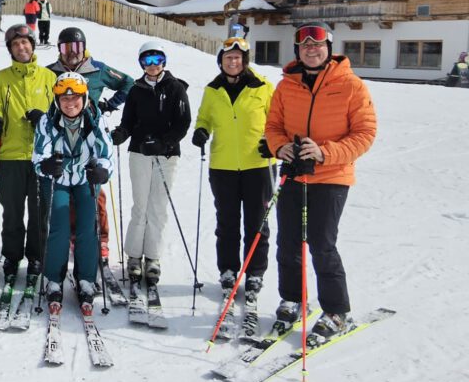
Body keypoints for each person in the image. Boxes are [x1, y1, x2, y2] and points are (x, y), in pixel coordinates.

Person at [264, 22, 376, 345]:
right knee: (288, 242)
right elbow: (272, 126)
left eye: (317, 44)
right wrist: (280, 147)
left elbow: (365, 133)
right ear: (298, 51)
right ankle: (293, 299)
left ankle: (337, 311)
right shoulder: (286, 85)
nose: (311, 49)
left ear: (329, 48)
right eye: (305, 45)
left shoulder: (351, 86)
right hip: (294, 173)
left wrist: (325, 153)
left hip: (332, 176)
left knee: (321, 244)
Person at [191, 37, 275, 325]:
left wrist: (273, 143)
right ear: (221, 61)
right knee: (226, 222)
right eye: (228, 58)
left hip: (258, 164)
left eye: (238, 57)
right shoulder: (212, 90)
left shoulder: (263, 86)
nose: (233, 61)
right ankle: (228, 270)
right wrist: (201, 131)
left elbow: (278, 121)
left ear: (245, 60)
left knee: (257, 223)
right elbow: (203, 118)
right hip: (223, 165)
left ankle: (254, 273)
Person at [46, 26, 133, 271]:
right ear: (60, 49)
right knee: (67, 190)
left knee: (94, 191)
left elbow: (128, 83)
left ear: (83, 48)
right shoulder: (51, 72)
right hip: (63, 137)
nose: (72, 52)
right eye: (66, 47)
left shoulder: (97, 69)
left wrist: (109, 105)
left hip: (92, 137)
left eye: (77, 47)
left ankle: (101, 239)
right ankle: (74, 236)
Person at [0, 24, 56, 292]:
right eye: (15, 44)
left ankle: (36, 257)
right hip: (10, 157)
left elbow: (61, 114)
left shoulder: (49, 77)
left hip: (41, 157)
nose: (21, 47)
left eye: (25, 42)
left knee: (39, 212)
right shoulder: (1, 79)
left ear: (32, 45)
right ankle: (12, 257)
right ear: (10, 50)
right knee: (12, 212)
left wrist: (44, 120)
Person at [111, 40, 191, 290]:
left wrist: (165, 143)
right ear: (141, 63)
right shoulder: (136, 90)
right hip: (139, 153)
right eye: (147, 60)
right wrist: (122, 133)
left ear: (164, 62)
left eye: (157, 60)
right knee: (140, 206)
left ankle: (153, 257)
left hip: (167, 156)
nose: (153, 65)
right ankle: (134, 255)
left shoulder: (176, 88)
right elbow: (128, 121)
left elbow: (183, 123)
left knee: (158, 207)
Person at [35, 72, 113, 307]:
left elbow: (105, 151)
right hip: (58, 179)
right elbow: (39, 153)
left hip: (84, 178)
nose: (70, 104)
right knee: (58, 225)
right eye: (64, 99)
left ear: (85, 98)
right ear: (57, 100)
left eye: (75, 98)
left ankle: (86, 278)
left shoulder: (95, 120)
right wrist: (45, 165)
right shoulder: (47, 121)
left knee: (88, 226)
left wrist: (103, 170)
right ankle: (54, 279)